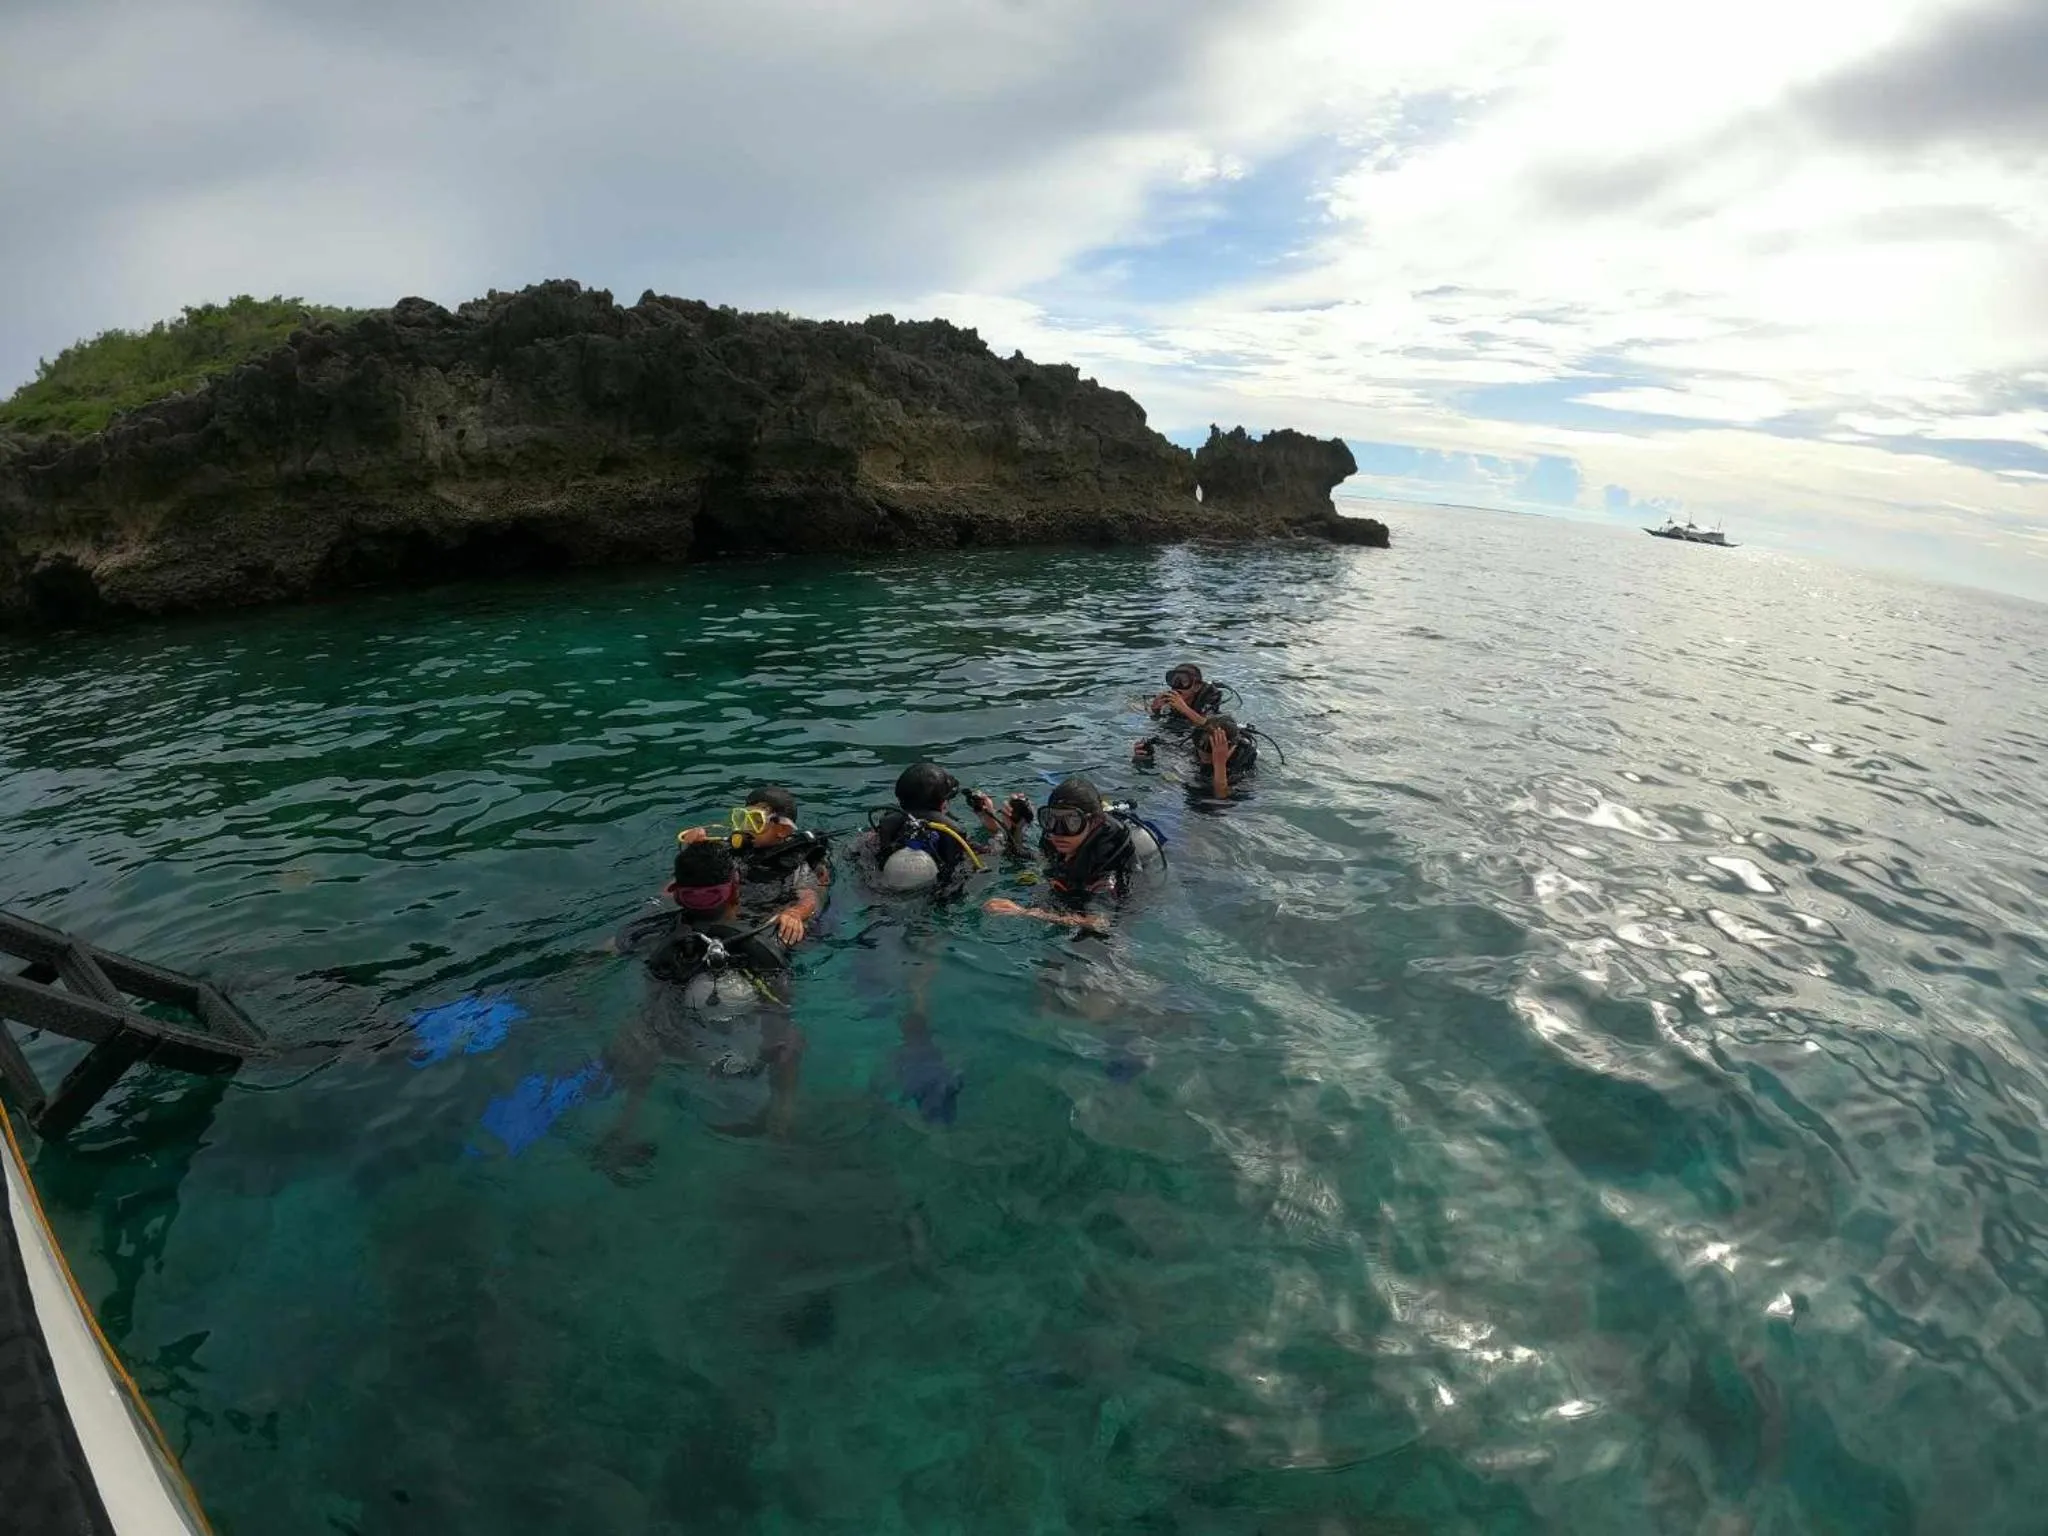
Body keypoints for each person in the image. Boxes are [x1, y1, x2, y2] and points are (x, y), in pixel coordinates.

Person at [599, 840, 804, 1167]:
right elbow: (782, 1003)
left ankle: (624, 1127)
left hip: (672, 1031)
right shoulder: (765, 936)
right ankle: (783, 1115)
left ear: (678, 893)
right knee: (790, 1038)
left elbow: (608, 949)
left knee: (641, 1033)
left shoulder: (655, 934)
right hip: (741, 1036)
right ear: (734, 891)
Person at [983, 776, 1165, 931]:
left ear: (1094, 822)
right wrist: (1013, 828)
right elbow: (1034, 860)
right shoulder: (1056, 838)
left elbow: (1099, 922)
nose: (1058, 832)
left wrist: (1023, 912)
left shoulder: (1105, 865)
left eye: (1072, 821)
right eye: (1051, 819)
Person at [676, 785, 831, 945]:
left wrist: (795, 913)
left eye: (756, 821)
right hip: (729, 911)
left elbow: (809, 897)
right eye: (743, 818)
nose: (746, 827)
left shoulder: (796, 862)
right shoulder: (732, 851)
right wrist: (696, 851)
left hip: (764, 915)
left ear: (783, 830)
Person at [859, 760, 1031, 893]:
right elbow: (1002, 854)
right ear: (943, 804)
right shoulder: (954, 837)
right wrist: (1001, 828)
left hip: (880, 894)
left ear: (899, 799)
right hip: (938, 899)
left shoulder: (878, 836)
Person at [1134, 662, 1229, 762]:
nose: (1177, 686)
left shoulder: (1208, 704)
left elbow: (1214, 729)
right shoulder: (1168, 703)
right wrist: (1155, 710)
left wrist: (1184, 709)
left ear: (1197, 686)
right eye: (1174, 681)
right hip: (1172, 737)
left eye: (1184, 682)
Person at [1193, 713, 1258, 798]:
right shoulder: (1198, 750)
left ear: (1232, 748)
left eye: (1211, 750)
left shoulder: (1242, 767)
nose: (1204, 756)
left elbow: (1221, 800)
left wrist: (1220, 764)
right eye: (1201, 747)